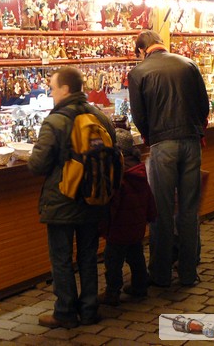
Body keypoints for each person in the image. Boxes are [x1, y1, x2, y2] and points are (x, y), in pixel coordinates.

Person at [27, 66, 116, 328]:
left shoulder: (55, 121)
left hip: (63, 199)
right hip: (93, 197)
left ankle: (65, 312)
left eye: (53, 88)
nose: (51, 94)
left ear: (65, 89)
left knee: (62, 258)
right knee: (88, 256)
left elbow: (37, 165)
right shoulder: (99, 116)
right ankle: (89, 309)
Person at [128, 30, 209, 287]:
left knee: (161, 212)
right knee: (188, 209)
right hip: (191, 142)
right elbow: (204, 106)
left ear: (142, 50)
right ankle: (187, 272)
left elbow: (139, 116)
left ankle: (161, 274)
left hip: (163, 144)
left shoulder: (139, 73)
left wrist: (150, 137)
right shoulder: (188, 64)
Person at [98, 128, 157, 306]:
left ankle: (112, 292)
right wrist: (150, 216)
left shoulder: (117, 173)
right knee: (136, 256)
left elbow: (112, 204)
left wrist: (104, 224)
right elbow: (149, 197)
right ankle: (140, 286)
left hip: (118, 227)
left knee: (113, 261)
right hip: (136, 225)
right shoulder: (139, 169)